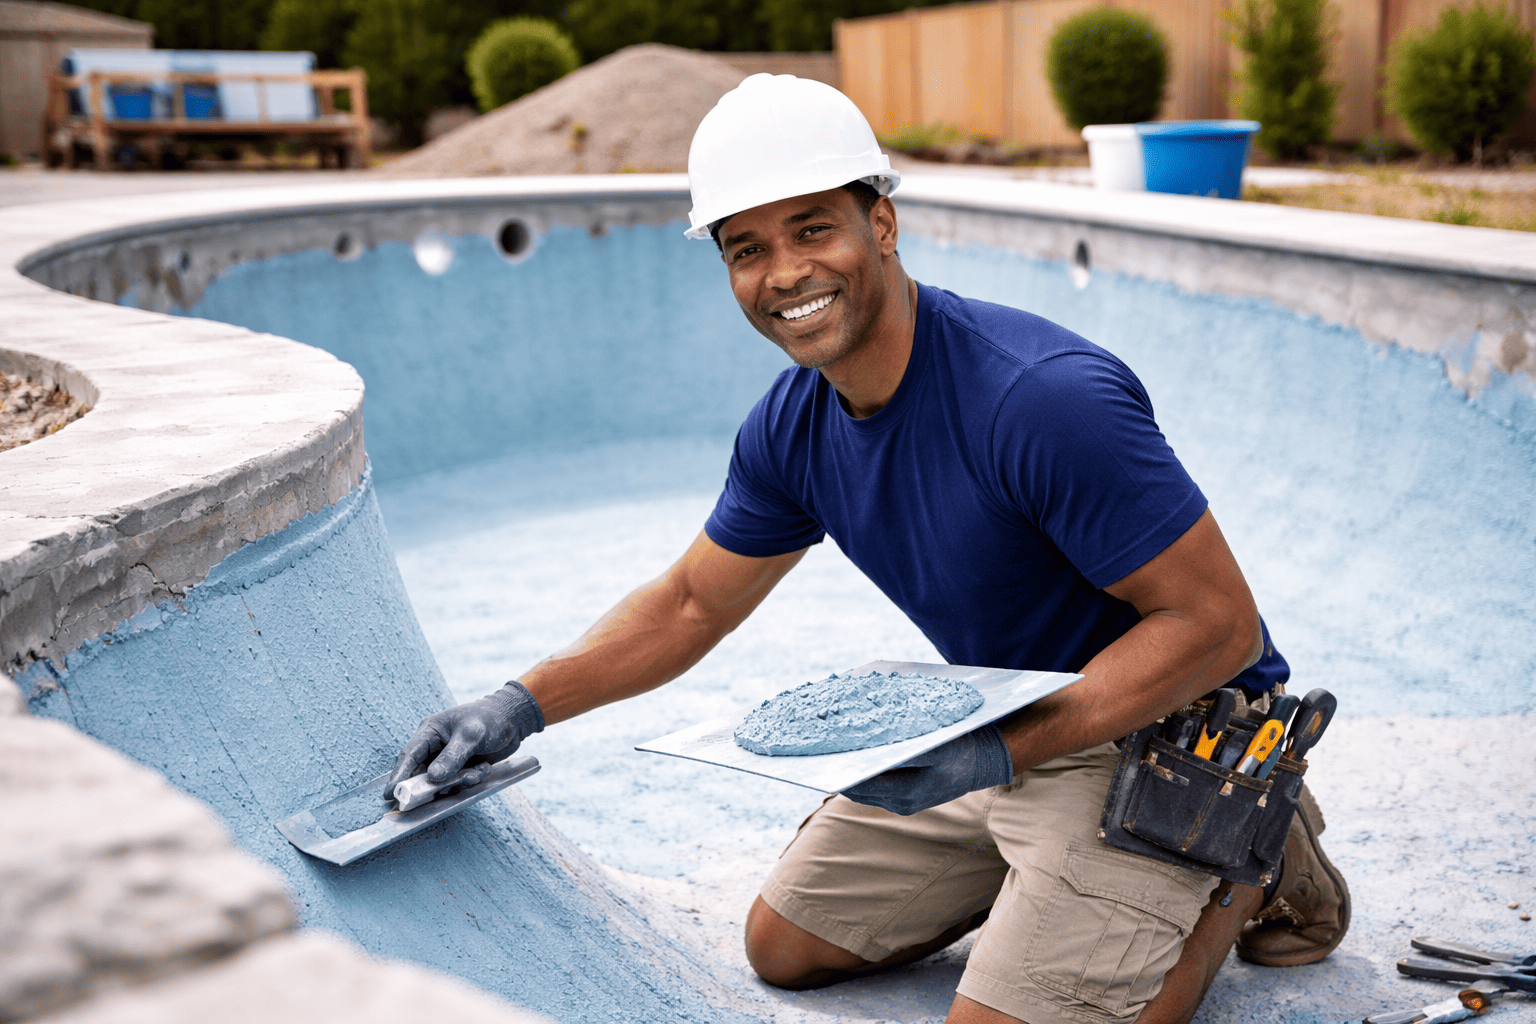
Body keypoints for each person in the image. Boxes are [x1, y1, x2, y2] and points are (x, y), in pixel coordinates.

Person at [386, 75, 1349, 1024]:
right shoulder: (792, 426)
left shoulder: (1040, 399)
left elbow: (1217, 626)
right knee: (784, 947)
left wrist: (996, 754)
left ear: (881, 224)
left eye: (813, 229)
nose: (784, 274)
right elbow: (690, 603)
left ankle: (1251, 863)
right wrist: (518, 706)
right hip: (1005, 718)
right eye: (747, 249)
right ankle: (1051, 881)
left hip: (1170, 732)